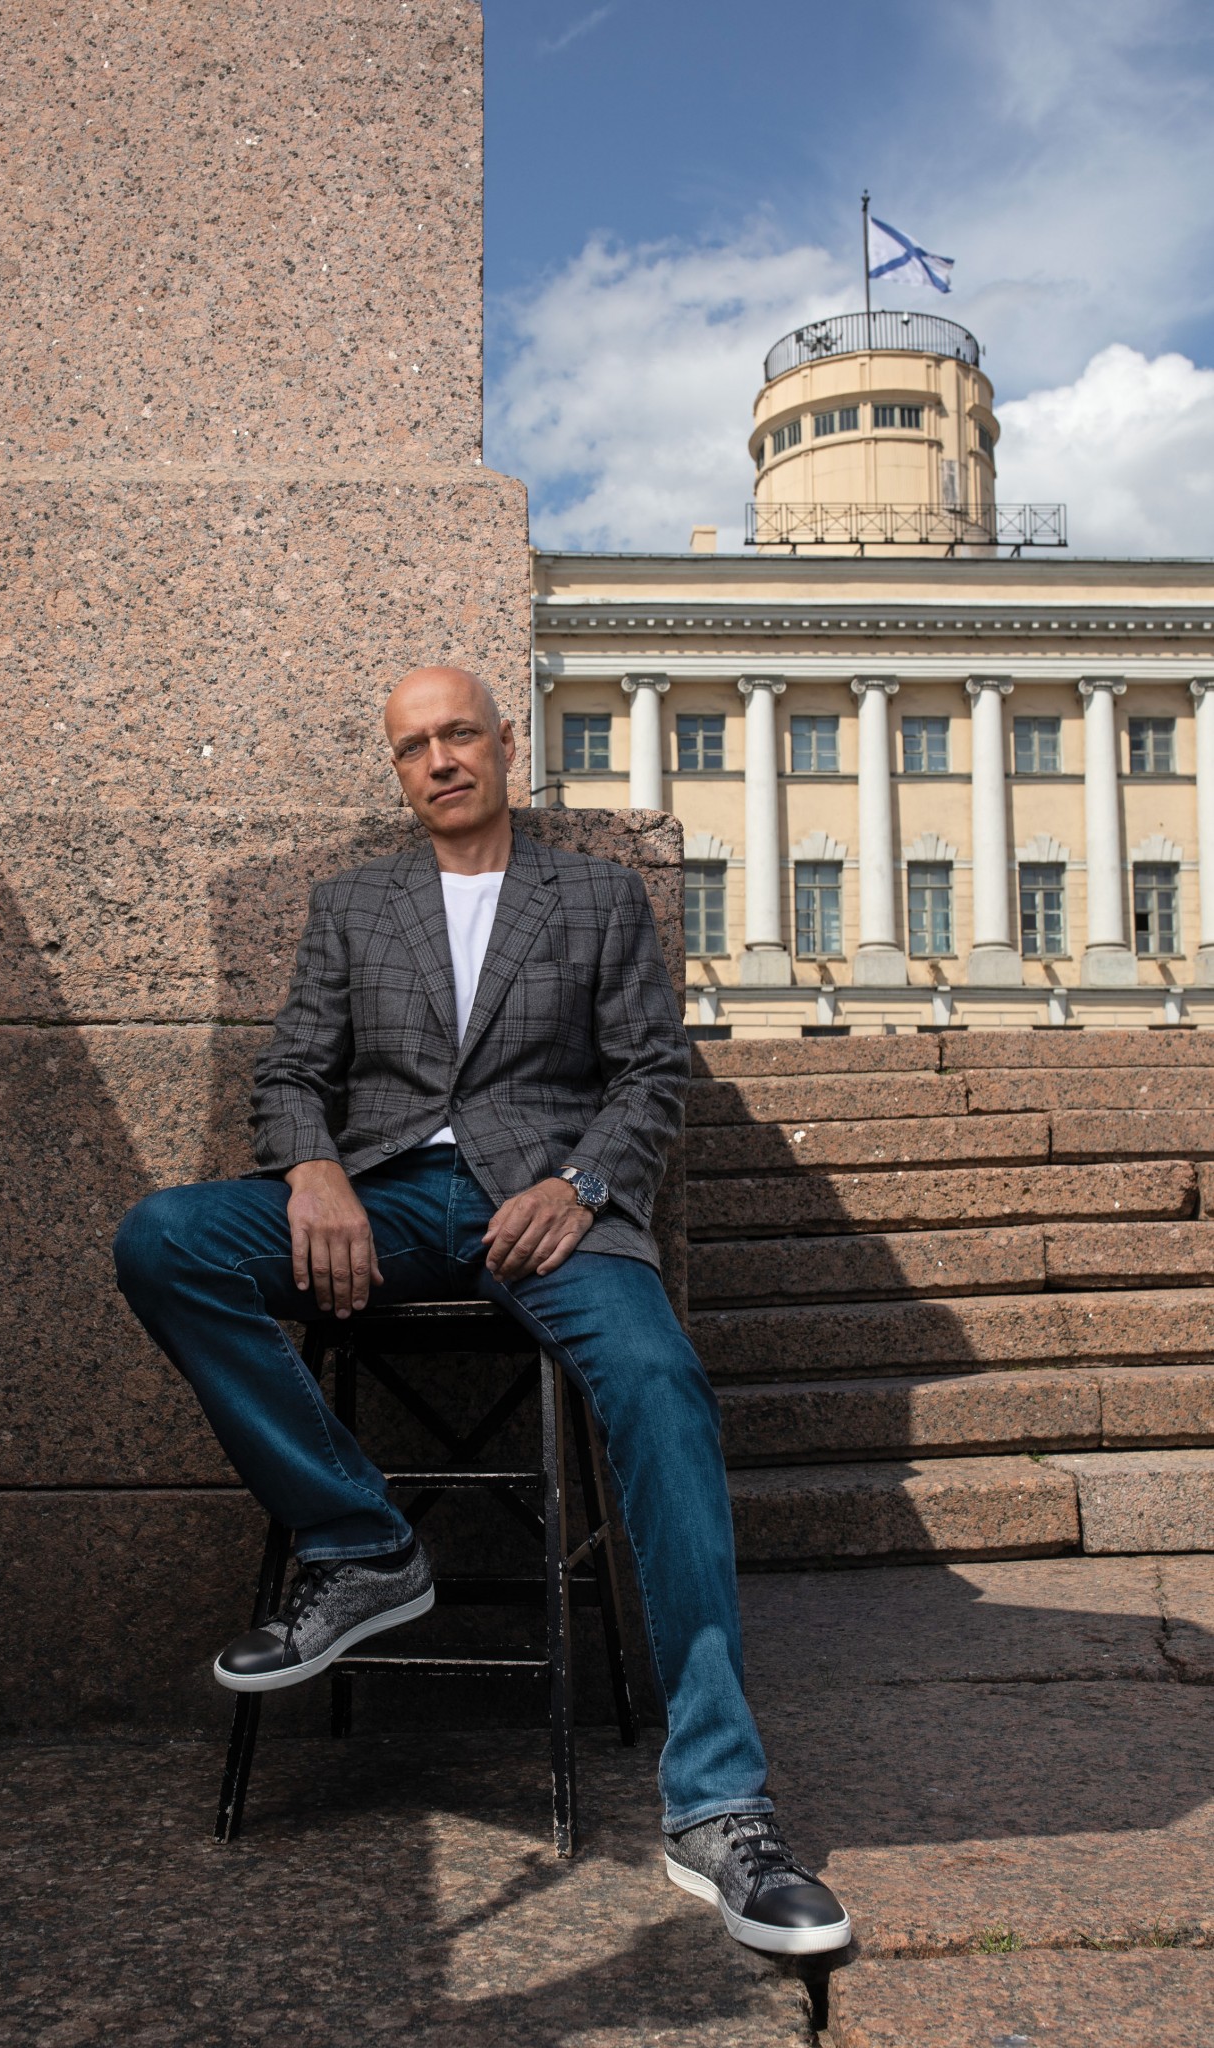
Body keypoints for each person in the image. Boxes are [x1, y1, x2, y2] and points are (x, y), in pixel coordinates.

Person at [114, 667, 850, 1957]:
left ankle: (719, 1804)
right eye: (415, 747)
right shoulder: (353, 907)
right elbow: (290, 1074)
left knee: (663, 1386)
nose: (441, 760)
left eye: (460, 734)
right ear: (399, 771)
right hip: (386, 1203)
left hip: (552, 1214)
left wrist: (582, 1187)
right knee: (165, 1240)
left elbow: (650, 1077)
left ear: (507, 745)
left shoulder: (598, 897)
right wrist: (314, 1170)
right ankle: (363, 1543)